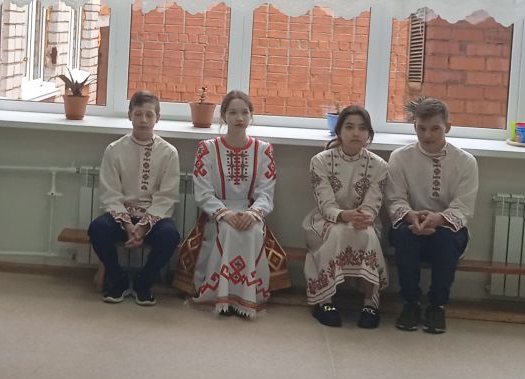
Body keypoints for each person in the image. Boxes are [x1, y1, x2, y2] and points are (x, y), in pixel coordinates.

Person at [173, 90, 291, 319]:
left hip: (250, 211)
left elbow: (266, 192)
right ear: (223, 116)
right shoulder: (207, 148)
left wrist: (253, 213)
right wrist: (224, 213)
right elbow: (203, 192)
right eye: (233, 112)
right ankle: (222, 297)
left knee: (252, 231)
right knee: (227, 230)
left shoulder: (264, 150)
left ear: (251, 116)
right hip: (215, 214)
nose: (239, 118)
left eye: (244, 112)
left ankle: (246, 298)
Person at [383, 96, 479, 335]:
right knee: (405, 236)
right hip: (410, 224)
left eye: (435, 128)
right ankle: (410, 303)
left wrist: (438, 219)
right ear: (414, 126)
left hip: (447, 229)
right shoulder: (400, 157)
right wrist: (412, 217)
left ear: (448, 127)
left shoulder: (465, 162)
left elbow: (463, 207)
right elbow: (395, 199)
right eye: (421, 128)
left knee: (445, 239)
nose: (427, 135)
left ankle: (437, 305)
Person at [87, 90, 180, 306]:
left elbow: (166, 196)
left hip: (154, 217)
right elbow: (110, 193)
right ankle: (118, 280)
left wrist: (144, 226)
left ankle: (143, 283)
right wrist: (128, 225)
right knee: (97, 229)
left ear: (157, 118)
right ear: (130, 115)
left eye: (149, 114)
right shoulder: (114, 150)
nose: (143, 120)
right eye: (138, 114)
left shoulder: (169, 153)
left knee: (170, 236)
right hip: (122, 215)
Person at [303, 105, 389, 329]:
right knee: (337, 232)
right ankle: (324, 301)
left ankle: (370, 303)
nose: (356, 133)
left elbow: (372, 205)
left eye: (362, 128)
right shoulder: (320, 161)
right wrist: (344, 215)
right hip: (326, 220)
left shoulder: (380, 166)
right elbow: (326, 204)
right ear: (339, 131)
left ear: (369, 134)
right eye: (349, 127)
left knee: (367, 234)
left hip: (364, 221)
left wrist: (361, 217)